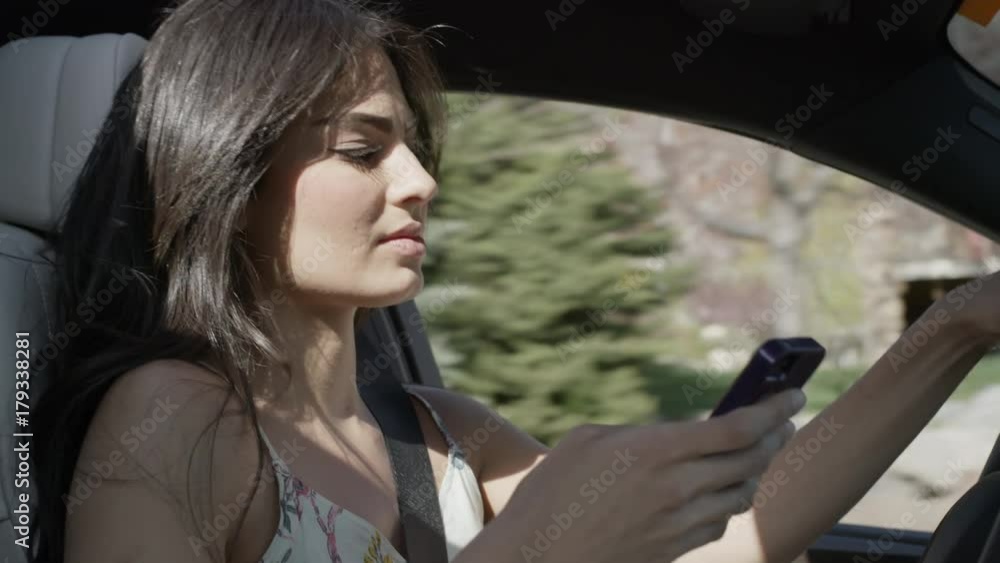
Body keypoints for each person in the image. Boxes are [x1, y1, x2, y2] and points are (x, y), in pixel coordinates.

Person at [27, 0, 1000, 562]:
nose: (420, 181)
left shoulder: (441, 432)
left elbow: (731, 539)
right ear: (228, 175)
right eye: (365, 149)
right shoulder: (172, 417)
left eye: (410, 146)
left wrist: (955, 326)